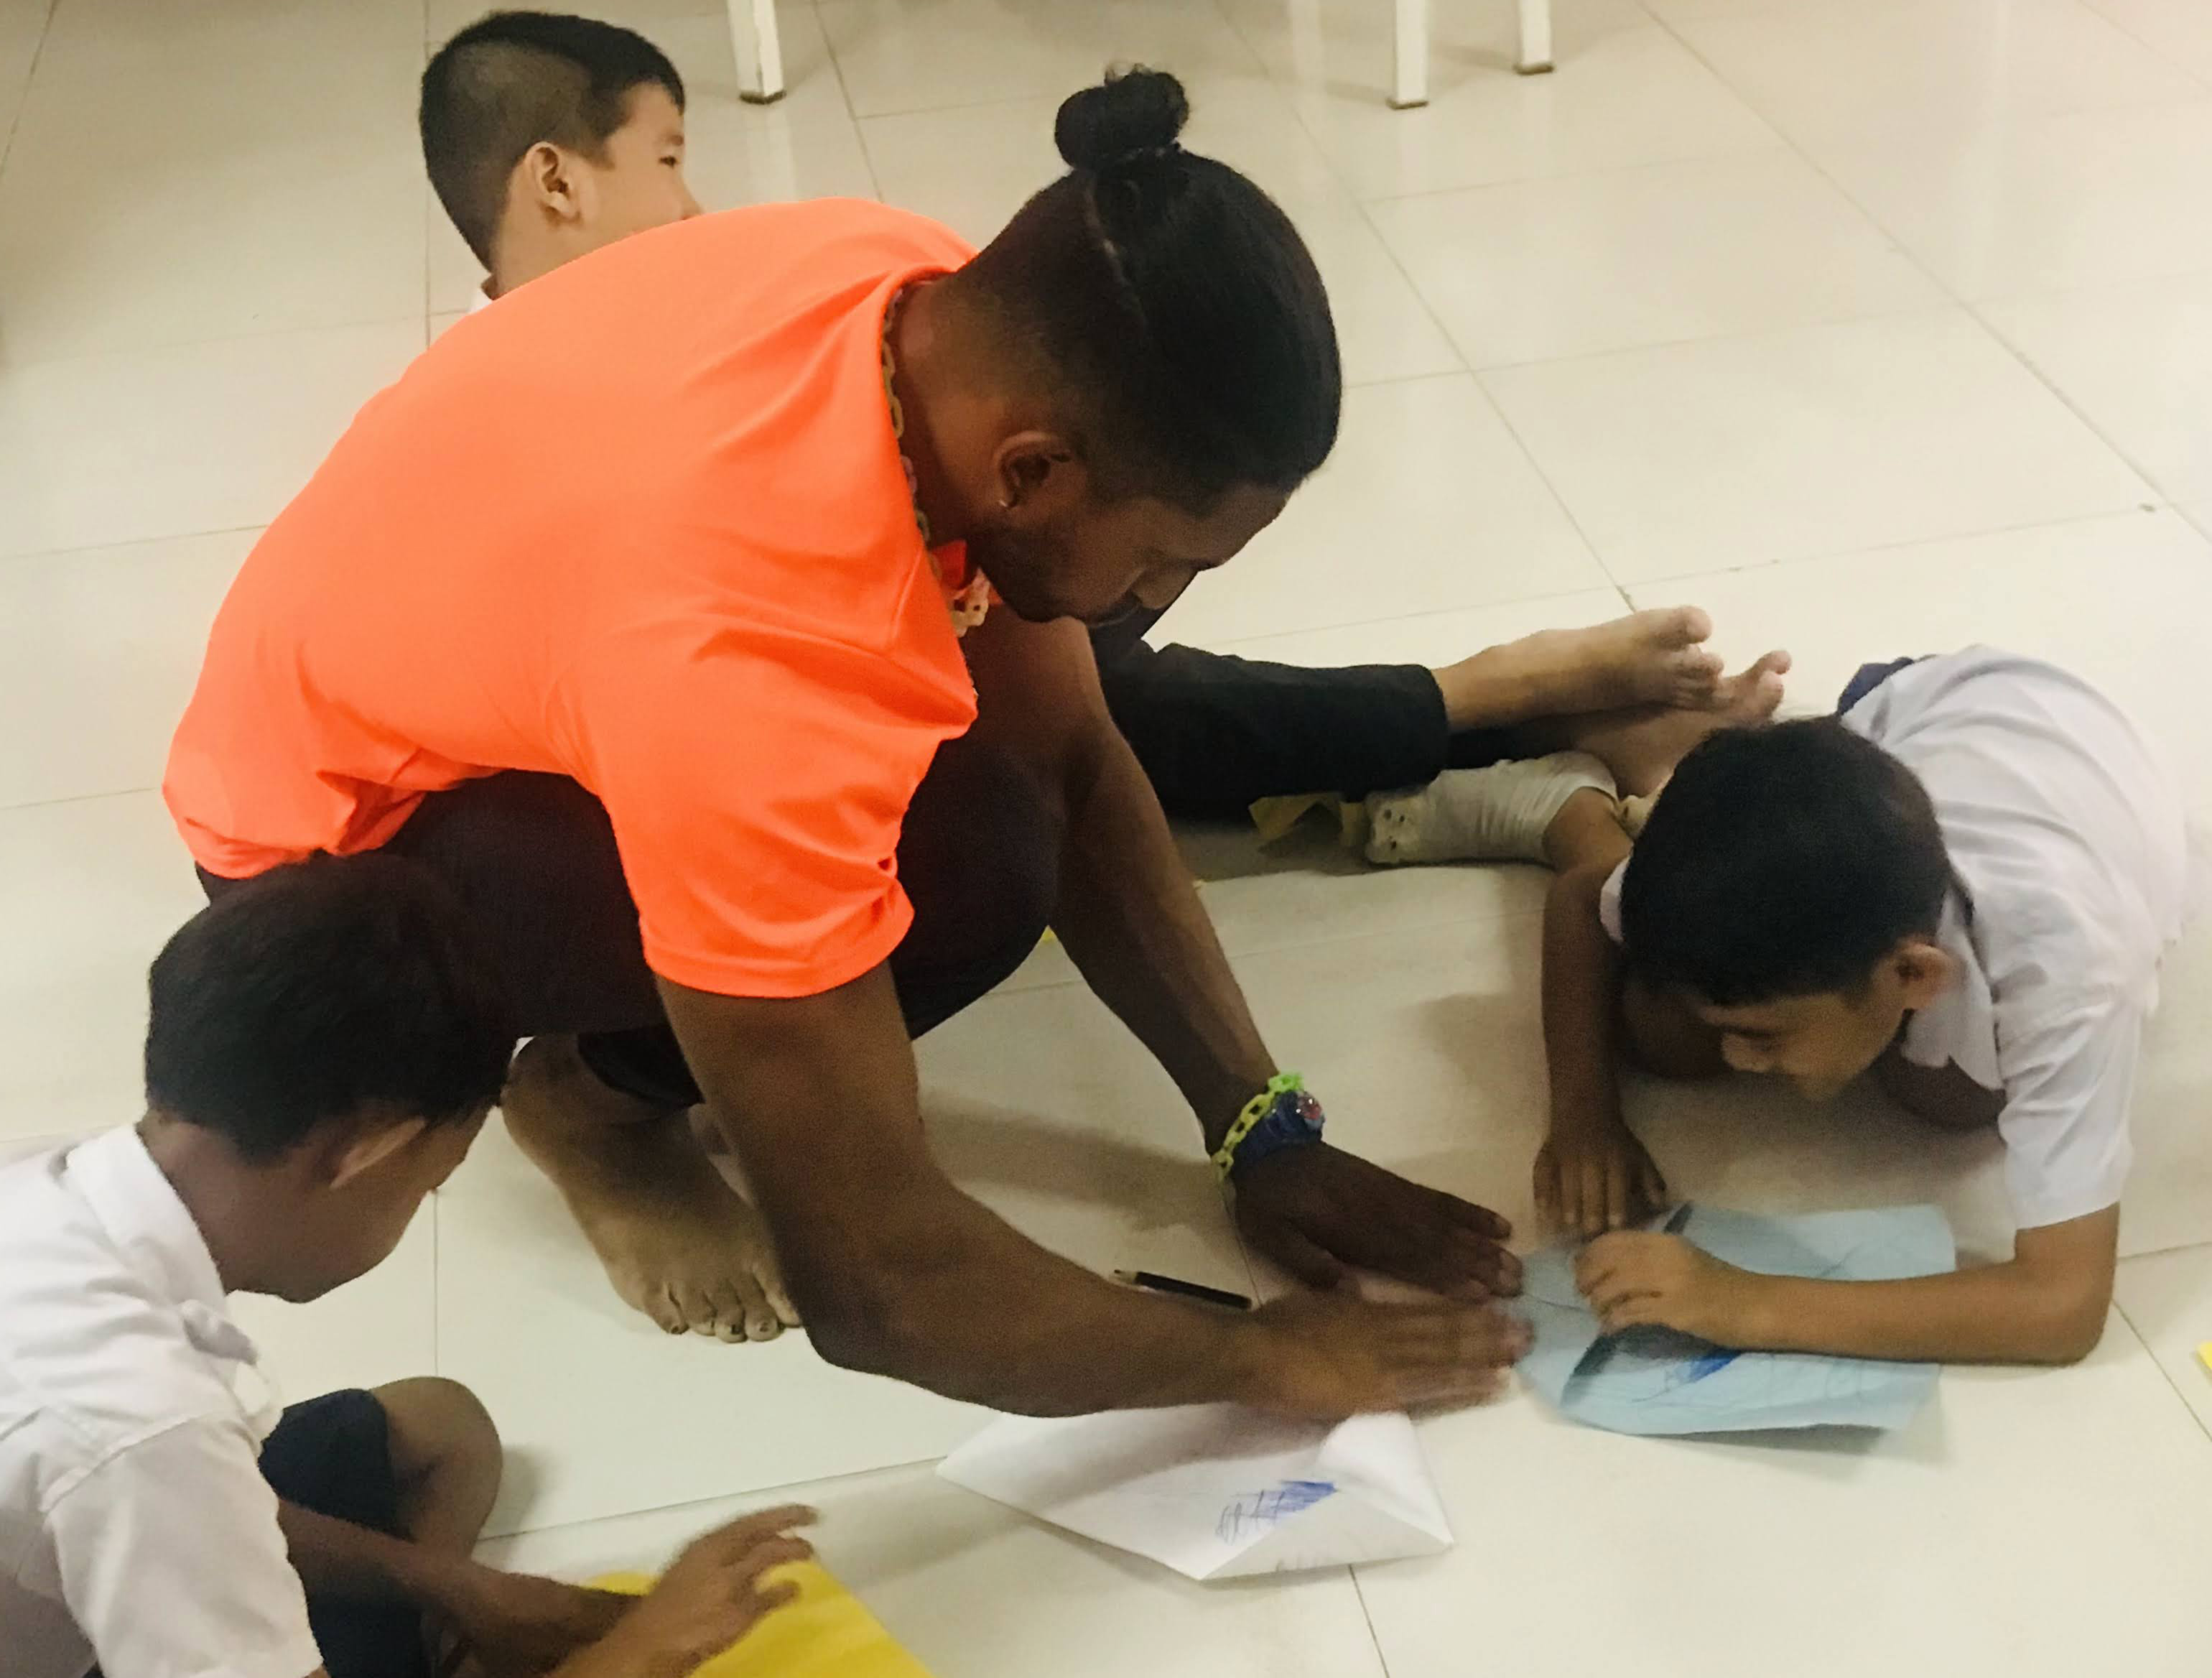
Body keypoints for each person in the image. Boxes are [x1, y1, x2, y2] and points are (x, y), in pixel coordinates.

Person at [167, 64, 1548, 1419]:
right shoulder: (745, 666)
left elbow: (1069, 759)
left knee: (1006, 778)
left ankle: (640, 1045)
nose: (1159, 603)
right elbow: (878, 1287)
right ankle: (593, 1105)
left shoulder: (916, 296)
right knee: (972, 874)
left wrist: (1262, 1129)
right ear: (1031, 472)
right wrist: (1269, 1362)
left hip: (487, 645)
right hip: (339, 854)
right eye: (1168, 559)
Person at [419, 9, 1786, 840]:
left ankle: (1479, 710)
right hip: (618, 781)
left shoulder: (760, 292)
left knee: (1073, 659)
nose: (702, 205)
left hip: (837, 633)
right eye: (666, 162)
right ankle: (601, 1110)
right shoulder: (512, 402)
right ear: (552, 181)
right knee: (1038, 756)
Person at [0, 858, 818, 1678]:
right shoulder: (143, 1425)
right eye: (428, 1182)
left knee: (441, 1427)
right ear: (367, 1152)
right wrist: (640, 1652)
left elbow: (183, 1493)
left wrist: (455, 1588)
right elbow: (153, 1467)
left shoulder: (43, 1182)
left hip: (82, 1515)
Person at [1535, 648, 2190, 1366]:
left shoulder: (2069, 972)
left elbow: (2061, 1308)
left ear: (1911, 974)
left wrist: (1741, 1300)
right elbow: (1577, 899)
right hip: (1923, 703)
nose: (1738, 1058)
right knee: (1662, 1035)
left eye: (1762, 1034)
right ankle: (1582, 799)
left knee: (1952, 1102)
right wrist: (1582, 1116)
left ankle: (1622, 765)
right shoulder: (1816, 853)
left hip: (2065, 726)